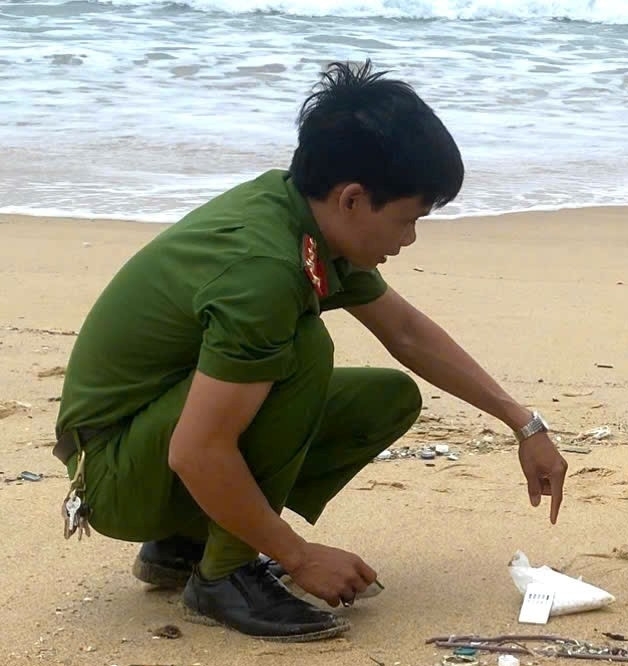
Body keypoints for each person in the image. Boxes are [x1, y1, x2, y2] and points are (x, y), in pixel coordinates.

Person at [52, 60, 569, 642]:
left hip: (142, 447)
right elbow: (196, 451)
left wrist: (523, 424)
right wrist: (299, 557)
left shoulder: (303, 216)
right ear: (352, 199)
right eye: (407, 219)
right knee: (303, 350)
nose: (410, 238)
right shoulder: (264, 269)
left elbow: (405, 333)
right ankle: (223, 576)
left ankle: (185, 543)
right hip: (113, 476)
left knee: (387, 397)